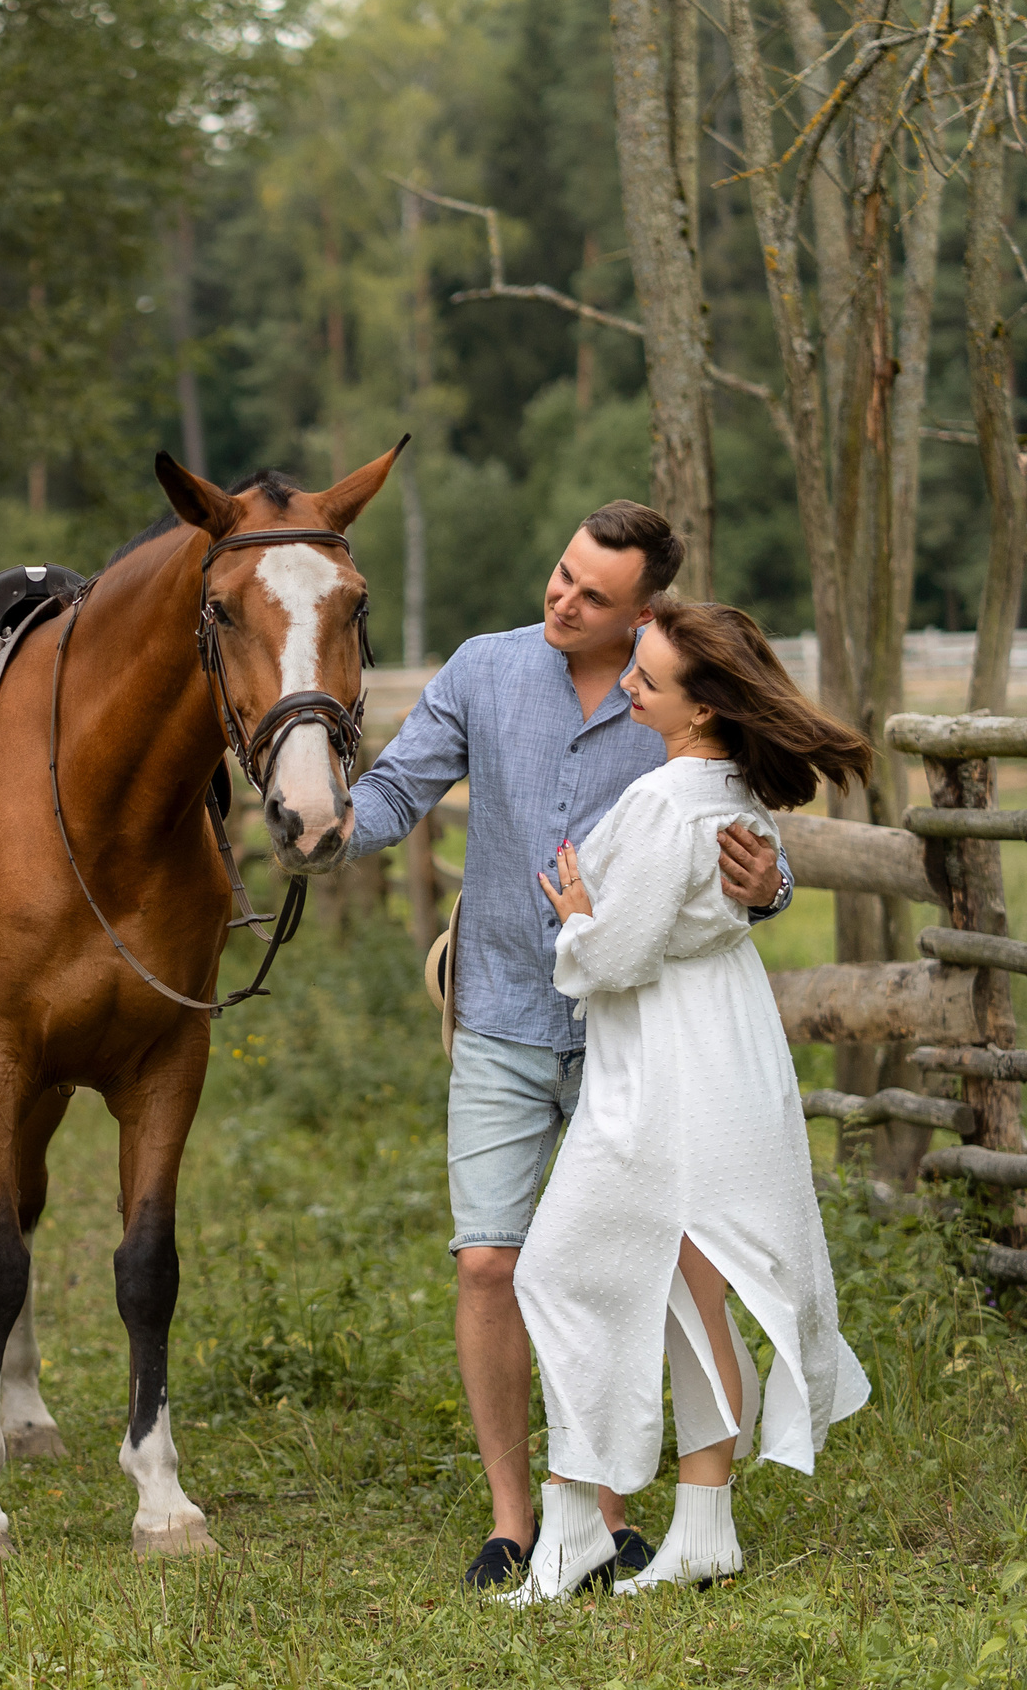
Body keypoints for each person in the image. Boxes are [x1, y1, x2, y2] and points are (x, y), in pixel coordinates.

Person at [344, 502, 791, 1591]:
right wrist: (322, 826)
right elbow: (399, 788)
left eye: (593, 596)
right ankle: (517, 1518)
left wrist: (770, 885)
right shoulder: (485, 671)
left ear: (641, 613)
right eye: (559, 575)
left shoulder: (665, 704)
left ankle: (602, 1514)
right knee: (494, 1263)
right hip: (499, 1012)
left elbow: (736, 826)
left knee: (648, 1271)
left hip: (630, 1038)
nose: (561, 599)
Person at [500, 600, 873, 1603]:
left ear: (701, 707)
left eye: (647, 680)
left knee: (556, 1276)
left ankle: (577, 1525)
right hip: (719, 1050)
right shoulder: (728, 786)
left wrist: (576, 919)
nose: (627, 685)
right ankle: (693, 1527)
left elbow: (617, 956)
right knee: (679, 1289)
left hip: (669, 1072)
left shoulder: (669, 800)